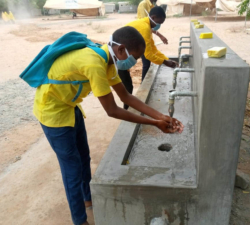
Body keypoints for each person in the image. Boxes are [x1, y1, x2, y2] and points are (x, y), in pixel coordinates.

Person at [31, 26, 183, 225]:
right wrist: (155, 123)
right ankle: (79, 220)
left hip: (70, 107)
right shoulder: (94, 63)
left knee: (84, 158)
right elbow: (112, 110)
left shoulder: (107, 60)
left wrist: (162, 116)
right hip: (52, 112)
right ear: (120, 49)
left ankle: (88, 199)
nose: (134, 62)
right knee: (72, 168)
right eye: (134, 57)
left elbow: (125, 96)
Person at [118, 6, 177, 109]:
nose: (159, 26)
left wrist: (166, 59)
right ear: (153, 17)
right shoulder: (144, 28)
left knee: (127, 86)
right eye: (159, 23)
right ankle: (127, 112)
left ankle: (127, 108)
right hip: (118, 55)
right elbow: (148, 54)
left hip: (124, 53)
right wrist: (164, 62)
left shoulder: (147, 26)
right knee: (127, 87)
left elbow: (153, 48)